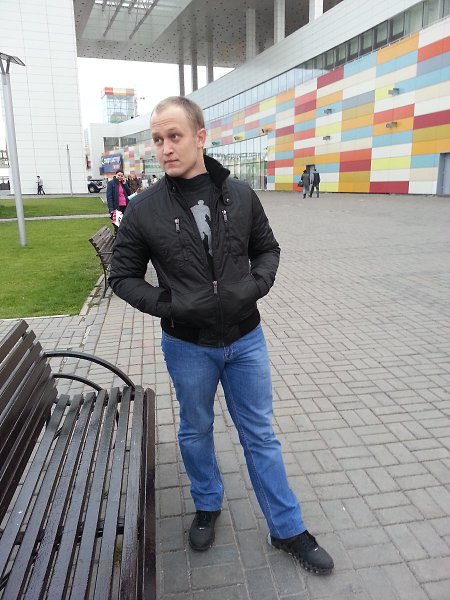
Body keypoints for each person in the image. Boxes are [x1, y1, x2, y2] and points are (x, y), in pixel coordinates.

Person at [109, 96, 334, 575]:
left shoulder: (240, 195)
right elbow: (122, 276)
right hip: (187, 345)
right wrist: (170, 305)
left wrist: (253, 288)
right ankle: (207, 503)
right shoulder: (145, 208)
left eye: (174, 136)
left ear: (200, 137)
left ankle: (287, 527)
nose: (165, 148)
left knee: (260, 434)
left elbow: (267, 250)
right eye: (157, 139)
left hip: (246, 340)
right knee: (195, 429)